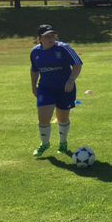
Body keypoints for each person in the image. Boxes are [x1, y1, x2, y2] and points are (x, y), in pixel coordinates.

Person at [30, 25, 83, 156]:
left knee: (62, 118)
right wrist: (33, 86)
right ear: (39, 39)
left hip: (65, 88)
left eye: (52, 35)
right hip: (45, 88)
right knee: (43, 118)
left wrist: (71, 80)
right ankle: (45, 143)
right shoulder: (35, 51)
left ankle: (63, 143)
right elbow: (34, 70)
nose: (50, 38)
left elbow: (77, 63)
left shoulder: (63, 48)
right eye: (47, 36)